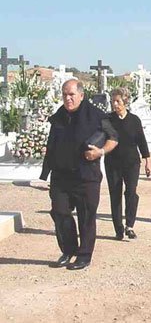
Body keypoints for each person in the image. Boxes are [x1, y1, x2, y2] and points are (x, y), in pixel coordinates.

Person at [40, 79, 118, 270]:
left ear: (81, 96)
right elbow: (52, 145)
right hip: (61, 175)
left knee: (86, 216)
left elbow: (114, 137)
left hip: (86, 176)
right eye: (65, 94)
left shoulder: (96, 115)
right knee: (59, 212)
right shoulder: (58, 116)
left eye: (72, 95)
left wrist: (100, 152)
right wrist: (44, 174)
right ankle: (68, 250)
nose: (68, 98)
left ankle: (84, 256)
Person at [105, 88, 151, 240]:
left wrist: (147, 161)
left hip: (131, 162)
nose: (114, 104)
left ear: (125, 101)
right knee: (115, 195)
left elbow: (141, 141)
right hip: (113, 163)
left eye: (117, 101)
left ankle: (129, 225)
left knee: (131, 192)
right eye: (113, 101)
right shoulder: (107, 120)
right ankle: (118, 228)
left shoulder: (134, 120)